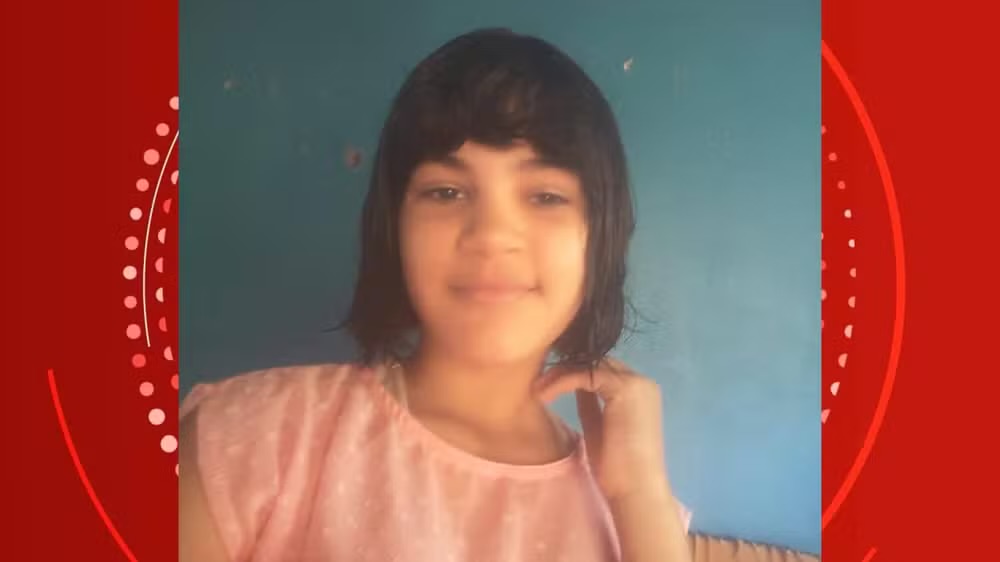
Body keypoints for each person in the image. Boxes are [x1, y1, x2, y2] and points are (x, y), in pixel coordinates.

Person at [179, 28, 692, 562]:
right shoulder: (257, 438)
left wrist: (639, 497)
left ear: (600, 238)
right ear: (394, 229)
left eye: (545, 196)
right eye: (446, 192)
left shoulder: (637, 516)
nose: (492, 234)